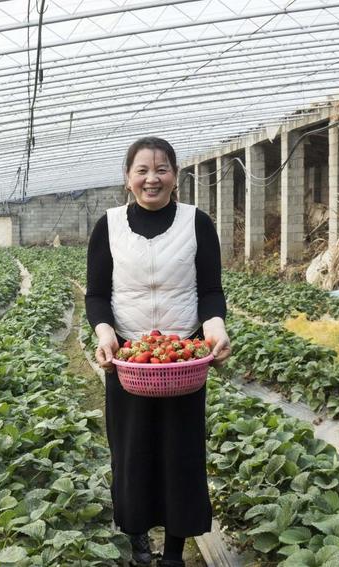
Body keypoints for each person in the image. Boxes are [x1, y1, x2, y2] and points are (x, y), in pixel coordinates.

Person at [85, 137, 232, 567]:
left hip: (181, 356)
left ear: (176, 176)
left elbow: (210, 291)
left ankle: (173, 553)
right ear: (128, 179)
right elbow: (96, 295)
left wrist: (215, 329)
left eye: (162, 168)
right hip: (131, 357)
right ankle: (138, 544)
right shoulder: (108, 225)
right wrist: (105, 333)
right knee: (132, 452)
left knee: (181, 453)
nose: (153, 178)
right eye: (142, 170)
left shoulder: (196, 223)